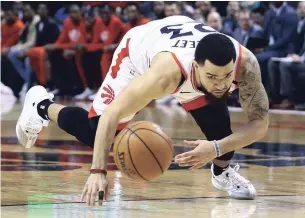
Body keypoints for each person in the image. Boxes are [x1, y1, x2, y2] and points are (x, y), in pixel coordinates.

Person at [16, 16, 269, 206]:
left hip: (182, 40)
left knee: (222, 135)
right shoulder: (163, 76)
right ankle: (41, 106)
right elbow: (113, 114)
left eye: (226, 76)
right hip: (138, 51)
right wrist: (98, 171)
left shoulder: (245, 65)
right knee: (99, 135)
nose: (222, 83)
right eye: (212, 76)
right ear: (196, 67)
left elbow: (259, 124)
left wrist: (215, 149)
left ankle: (222, 172)